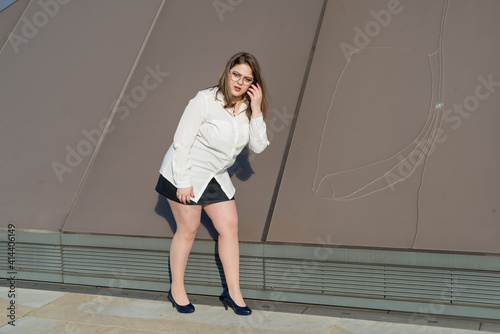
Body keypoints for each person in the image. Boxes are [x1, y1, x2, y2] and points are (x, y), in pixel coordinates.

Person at [155, 52, 269, 315]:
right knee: (189, 228)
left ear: (254, 84)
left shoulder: (247, 109)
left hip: (214, 176)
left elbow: (259, 146)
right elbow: (181, 141)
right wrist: (183, 182)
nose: (239, 82)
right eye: (236, 74)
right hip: (183, 173)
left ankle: (233, 291)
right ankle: (177, 289)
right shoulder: (205, 100)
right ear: (227, 73)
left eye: (247, 79)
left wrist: (257, 110)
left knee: (229, 227)